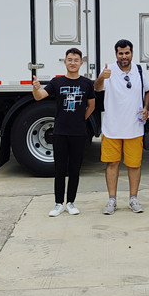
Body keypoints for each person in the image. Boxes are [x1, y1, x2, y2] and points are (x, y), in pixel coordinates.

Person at [32, 47, 95, 217]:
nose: (73, 63)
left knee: (75, 169)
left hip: (79, 133)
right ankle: (58, 203)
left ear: (81, 63)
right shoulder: (57, 82)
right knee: (60, 169)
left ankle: (71, 202)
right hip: (60, 132)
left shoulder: (87, 83)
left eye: (76, 60)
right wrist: (35, 88)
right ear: (65, 62)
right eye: (70, 59)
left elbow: (92, 105)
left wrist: (81, 119)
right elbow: (39, 97)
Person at [95, 39, 149, 214]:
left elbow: (148, 91)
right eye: (121, 53)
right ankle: (112, 200)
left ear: (131, 53)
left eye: (127, 53)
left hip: (134, 126)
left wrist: (146, 108)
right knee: (112, 163)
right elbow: (97, 89)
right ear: (116, 54)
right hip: (112, 127)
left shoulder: (139, 70)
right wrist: (101, 77)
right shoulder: (108, 71)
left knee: (134, 165)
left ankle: (133, 199)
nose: (124, 56)